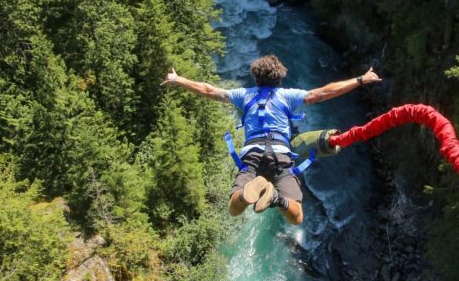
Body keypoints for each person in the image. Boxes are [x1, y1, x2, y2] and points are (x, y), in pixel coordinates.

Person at [162, 55, 381, 225]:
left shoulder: (243, 95)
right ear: (279, 78)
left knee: (234, 208)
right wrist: (360, 79)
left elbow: (208, 90)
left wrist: (177, 79)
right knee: (297, 217)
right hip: (280, 154)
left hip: (252, 153)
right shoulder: (288, 96)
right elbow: (323, 92)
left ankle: (248, 194)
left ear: (255, 77)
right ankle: (277, 199)